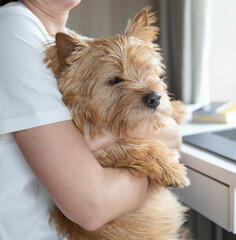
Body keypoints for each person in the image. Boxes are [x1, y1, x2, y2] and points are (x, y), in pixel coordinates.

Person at [0, 0, 182, 239]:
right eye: (116, 81)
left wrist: (106, 133)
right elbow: (94, 207)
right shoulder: (12, 28)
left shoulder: (77, 43)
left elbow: (173, 133)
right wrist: (158, 168)